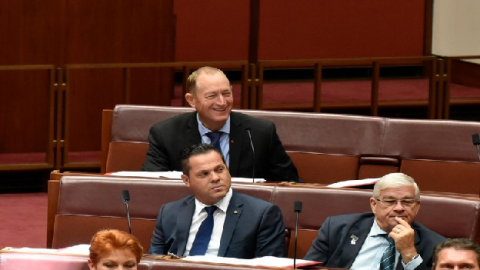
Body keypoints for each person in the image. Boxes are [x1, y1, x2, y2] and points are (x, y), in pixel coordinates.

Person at [142, 66, 300, 182]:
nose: (222, 102)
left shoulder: (260, 132)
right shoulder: (165, 134)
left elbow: (290, 184)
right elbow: (152, 185)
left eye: (226, 93)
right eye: (212, 96)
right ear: (192, 100)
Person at [148, 143, 286, 258]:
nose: (215, 178)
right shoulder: (169, 212)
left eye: (219, 169)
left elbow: (269, 266)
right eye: (204, 174)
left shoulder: (262, 214)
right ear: (186, 180)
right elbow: (156, 260)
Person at [304, 172, 446, 269]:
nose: (399, 208)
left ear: (417, 206)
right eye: (390, 201)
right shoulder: (337, 228)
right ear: (374, 204)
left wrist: (409, 253)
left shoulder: (436, 246)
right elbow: (309, 268)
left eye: (407, 202)